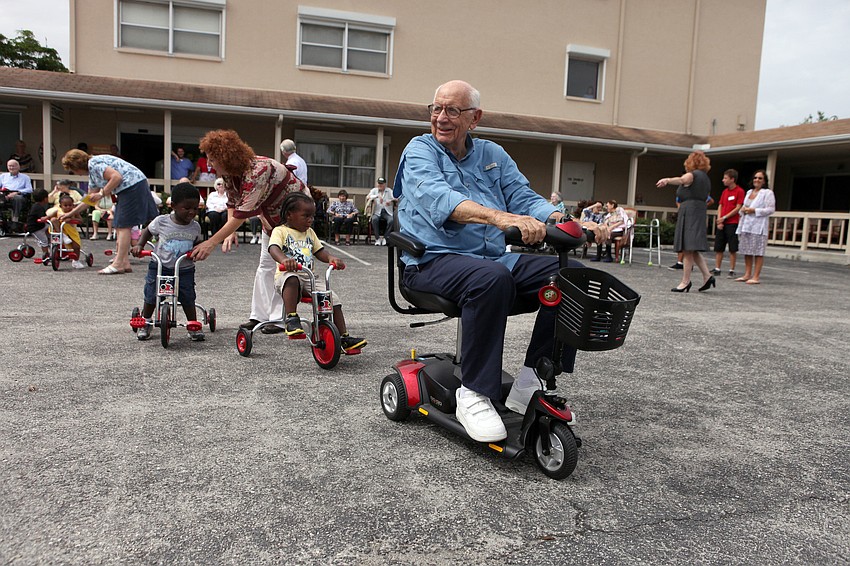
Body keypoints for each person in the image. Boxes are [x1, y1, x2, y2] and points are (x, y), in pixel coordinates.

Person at [393, 80, 574, 442]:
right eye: (436, 109)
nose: (441, 118)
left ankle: (533, 378)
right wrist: (500, 218)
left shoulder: (492, 153)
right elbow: (442, 199)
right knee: (490, 279)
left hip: (490, 261)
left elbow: (523, 196)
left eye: (453, 111)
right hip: (429, 261)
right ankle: (473, 392)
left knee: (570, 277)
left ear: (475, 118)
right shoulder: (420, 151)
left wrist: (559, 219)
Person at [189, 129, 310, 332]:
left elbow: (242, 214)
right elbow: (232, 204)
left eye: (212, 160)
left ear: (225, 157)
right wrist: (230, 232)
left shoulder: (257, 172)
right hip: (270, 218)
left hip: (295, 217)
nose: (209, 165)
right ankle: (259, 316)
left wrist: (211, 242)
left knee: (285, 267)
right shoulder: (229, 175)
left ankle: (279, 319)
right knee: (265, 265)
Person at [268, 192, 367, 351]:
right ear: (289, 215)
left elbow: (320, 252)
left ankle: (343, 337)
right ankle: (292, 319)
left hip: (310, 277)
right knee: (292, 278)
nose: (310, 220)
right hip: (287, 276)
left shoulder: (310, 233)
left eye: (312, 216)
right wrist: (284, 260)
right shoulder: (280, 231)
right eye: (305, 216)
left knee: (332, 299)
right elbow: (273, 248)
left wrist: (331, 258)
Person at [61, 148, 160, 274]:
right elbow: (89, 199)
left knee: (123, 225)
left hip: (131, 186)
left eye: (73, 170)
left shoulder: (94, 164)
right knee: (119, 224)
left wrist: (102, 193)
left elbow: (116, 177)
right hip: (132, 185)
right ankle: (124, 262)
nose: (76, 174)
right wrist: (71, 213)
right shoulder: (93, 172)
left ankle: (118, 263)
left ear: (77, 166)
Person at [131, 182, 205, 341]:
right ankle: (146, 321)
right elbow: (147, 232)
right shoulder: (161, 221)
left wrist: (197, 252)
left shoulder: (195, 227)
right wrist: (139, 245)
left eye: (195, 208)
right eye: (187, 208)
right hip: (159, 266)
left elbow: (198, 243)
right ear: (174, 206)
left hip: (184, 268)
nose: (191, 212)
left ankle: (193, 324)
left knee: (187, 296)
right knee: (151, 294)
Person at [656, 151, 715, 292]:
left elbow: (683, 180)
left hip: (690, 212)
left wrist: (668, 180)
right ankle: (707, 276)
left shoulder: (693, 175)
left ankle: (685, 281)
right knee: (692, 249)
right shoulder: (705, 178)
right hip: (698, 211)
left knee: (688, 249)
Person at [735, 170, 776, 285]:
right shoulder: (749, 192)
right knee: (747, 250)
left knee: (758, 251)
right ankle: (747, 274)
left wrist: (755, 210)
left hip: (758, 226)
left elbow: (770, 209)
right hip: (746, 225)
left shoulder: (767, 193)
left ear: (764, 181)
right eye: (755, 178)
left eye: (760, 178)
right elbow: (745, 205)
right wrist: (743, 210)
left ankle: (756, 276)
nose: (757, 180)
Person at [712, 169, 745, 278]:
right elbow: (720, 205)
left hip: (733, 222)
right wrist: (719, 219)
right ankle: (717, 268)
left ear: (732, 179)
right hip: (722, 222)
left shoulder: (739, 191)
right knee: (719, 247)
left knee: (732, 247)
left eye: (725, 178)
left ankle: (731, 269)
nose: (723, 180)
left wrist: (725, 217)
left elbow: (738, 207)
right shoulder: (725, 192)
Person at [47, 194, 88, 269]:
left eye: (70, 205)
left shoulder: (74, 212)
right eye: (65, 205)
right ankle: (62, 235)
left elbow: (81, 220)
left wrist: (71, 220)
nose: (68, 207)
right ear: (61, 206)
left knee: (76, 246)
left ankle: (76, 261)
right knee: (53, 220)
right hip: (60, 230)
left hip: (71, 231)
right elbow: (49, 217)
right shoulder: (57, 211)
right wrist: (45, 218)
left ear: (73, 205)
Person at [0, 159, 33, 227]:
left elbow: (29, 189)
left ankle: (15, 219)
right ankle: (1, 219)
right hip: (4, 194)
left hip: (18, 195)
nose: (11, 168)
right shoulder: (3, 176)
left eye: (13, 166)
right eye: (9, 166)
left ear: (18, 167)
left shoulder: (25, 177)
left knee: (18, 198)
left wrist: (18, 192)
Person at [365, 177, 396, 245]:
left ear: (385, 184)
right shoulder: (374, 190)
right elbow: (368, 197)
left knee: (391, 220)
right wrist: (377, 196)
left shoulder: (389, 190)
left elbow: (396, 198)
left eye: (381, 184)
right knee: (374, 219)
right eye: (379, 184)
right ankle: (377, 238)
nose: (380, 185)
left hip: (387, 211)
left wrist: (390, 201)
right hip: (377, 211)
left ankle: (385, 237)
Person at [25, 188, 51, 262]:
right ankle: (46, 254)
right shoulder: (37, 207)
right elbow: (42, 218)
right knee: (44, 240)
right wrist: (49, 216)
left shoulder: (39, 206)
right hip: (35, 228)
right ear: (45, 199)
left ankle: (53, 242)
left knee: (51, 229)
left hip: (41, 225)